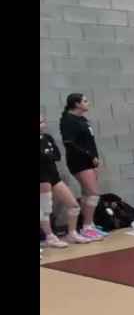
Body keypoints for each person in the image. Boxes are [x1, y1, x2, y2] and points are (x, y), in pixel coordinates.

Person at [58, 93, 107, 241]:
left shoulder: (83, 119)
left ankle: (89, 225)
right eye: (85, 101)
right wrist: (89, 156)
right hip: (79, 161)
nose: (88, 103)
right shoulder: (68, 120)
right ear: (77, 104)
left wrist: (95, 158)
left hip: (90, 160)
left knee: (87, 193)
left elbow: (90, 142)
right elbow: (70, 143)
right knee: (93, 193)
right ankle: (86, 227)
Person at [40, 113, 88, 248]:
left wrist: (46, 155)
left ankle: (72, 233)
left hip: (53, 176)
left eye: (43, 121)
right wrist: (47, 155)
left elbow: (57, 155)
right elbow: (44, 157)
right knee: (45, 209)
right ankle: (50, 237)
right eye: (40, 123)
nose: (43, 125)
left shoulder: (47, 137)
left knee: (73, 205)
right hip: (41, 178)